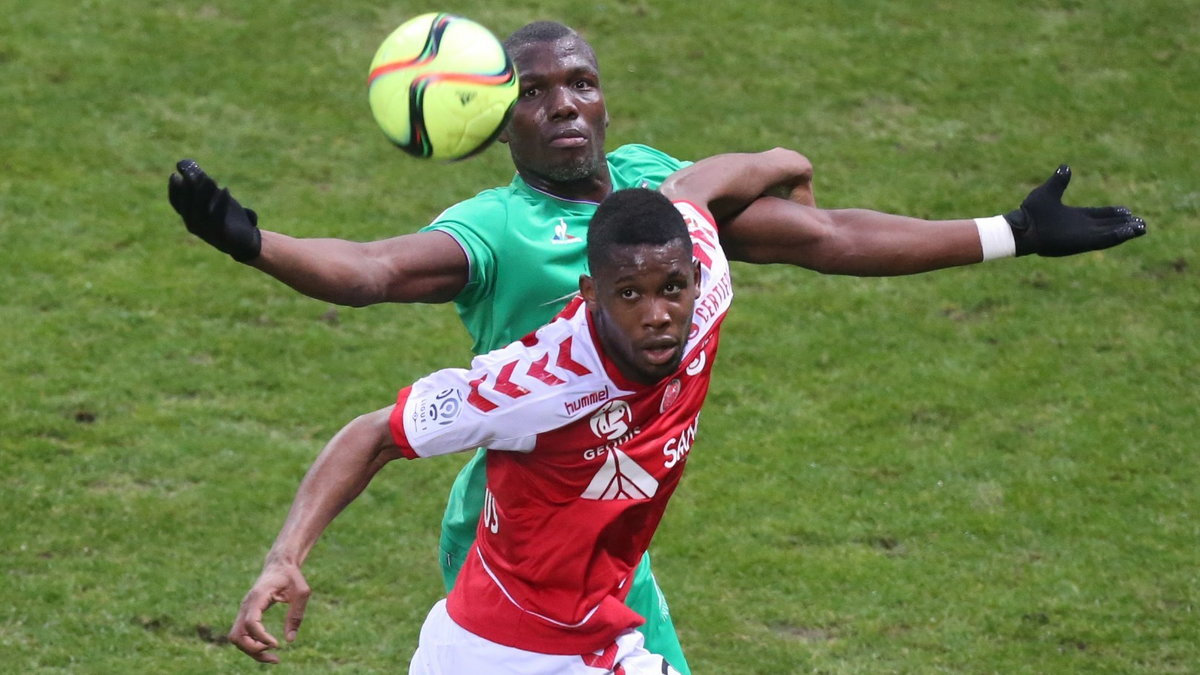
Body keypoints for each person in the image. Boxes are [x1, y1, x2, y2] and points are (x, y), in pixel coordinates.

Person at [169, 21, 1146, 671]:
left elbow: (819, 232)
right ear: (495, 121)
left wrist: (1009, 231)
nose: (563, 105)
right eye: (536, 92)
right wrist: (254, 244)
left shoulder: (664, 201)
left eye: (581, 84)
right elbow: (374, 270)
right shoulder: (500, 229)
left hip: (619, 502)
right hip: (526, 510)